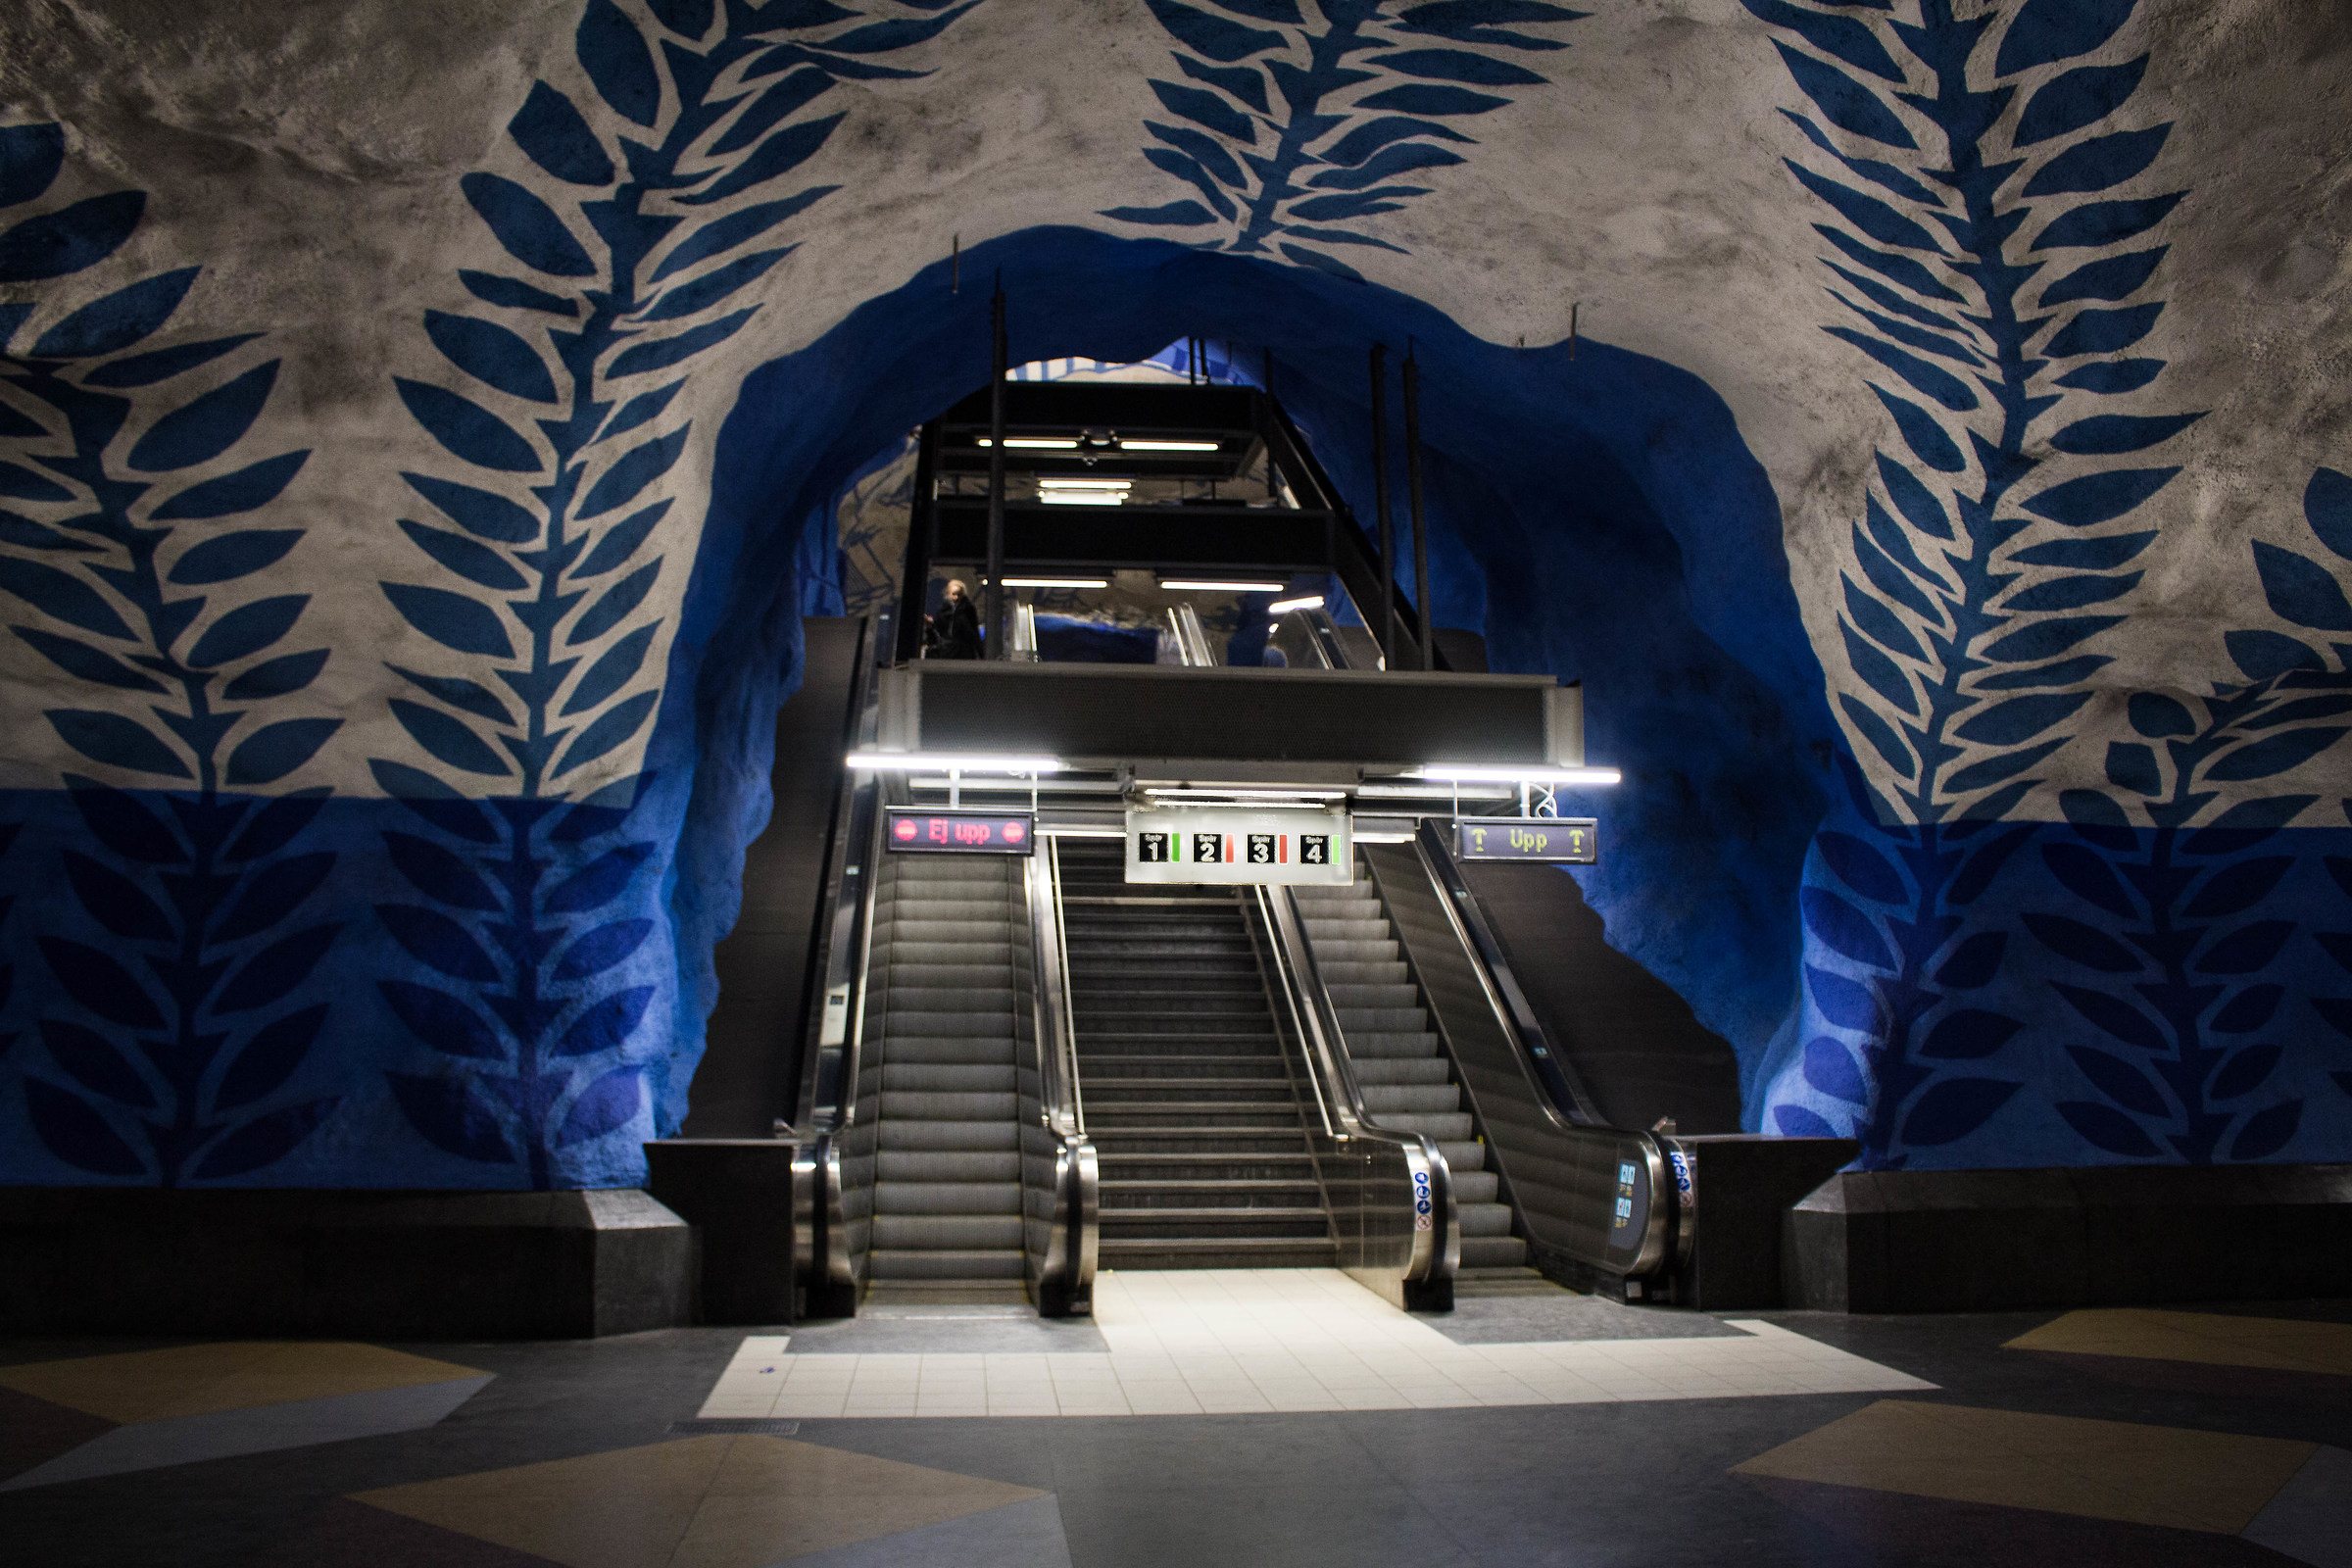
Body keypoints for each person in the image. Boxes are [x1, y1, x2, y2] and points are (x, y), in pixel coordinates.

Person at [926, 577, 984, 659]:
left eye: (959, 595)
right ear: (949, 594)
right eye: (953, 594)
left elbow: (973, 632)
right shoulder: (943, 611)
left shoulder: (967, 610)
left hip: (962, 651)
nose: (956, 597)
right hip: (948, 650)